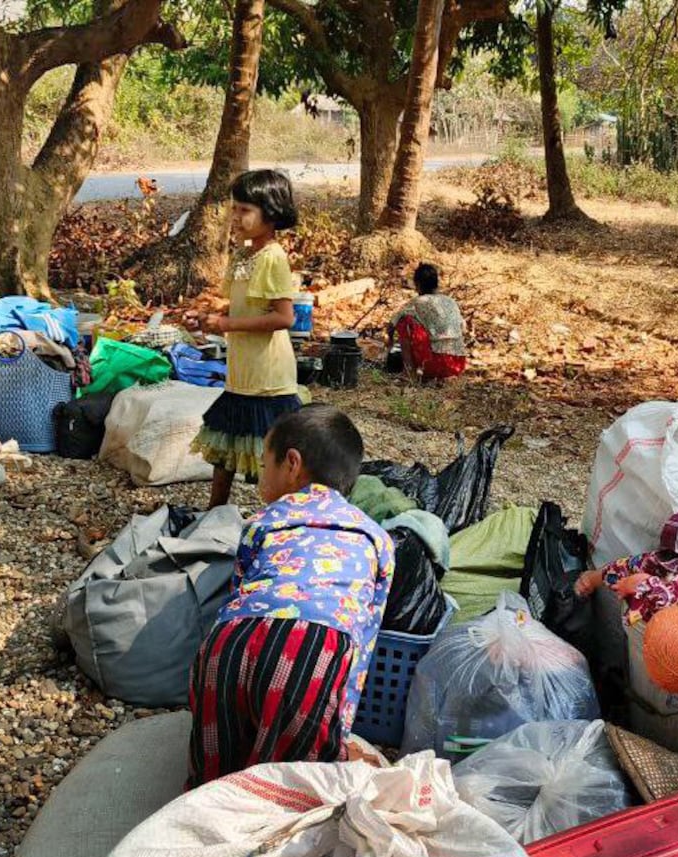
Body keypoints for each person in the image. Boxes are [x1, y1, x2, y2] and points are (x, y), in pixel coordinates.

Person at [187, 405, 396, 786]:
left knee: (216, 775)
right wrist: (340, 728)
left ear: (292, 464)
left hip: (230, 641)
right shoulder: (375, 537)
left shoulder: (263, 522)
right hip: (312, 647)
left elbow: (239, 592)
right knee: (293, 782)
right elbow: (364, 636)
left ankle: (203, 811)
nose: (260, 477)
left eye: (264, 465)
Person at [193, 169, 301, 508]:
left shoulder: (273, 257)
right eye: (234, 208)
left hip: (268, 375)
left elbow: (284, 317)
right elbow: (247, 304)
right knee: (227, 444)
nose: (236, 217)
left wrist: (226, 323)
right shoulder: (244, 255)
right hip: (242, 371)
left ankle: (281, 514)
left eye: (245, 210)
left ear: (270, 214)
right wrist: (213, 316)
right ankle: (215, 511)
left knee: (270, 451)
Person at [387, 262, 468, 380]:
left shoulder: (418, 302)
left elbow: (392, 325)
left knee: (404, 321)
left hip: (435, 363)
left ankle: (409, 371)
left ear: (418, 285)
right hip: (458, 363)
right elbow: (463, 328)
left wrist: (390, 342)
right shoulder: (451, 301)